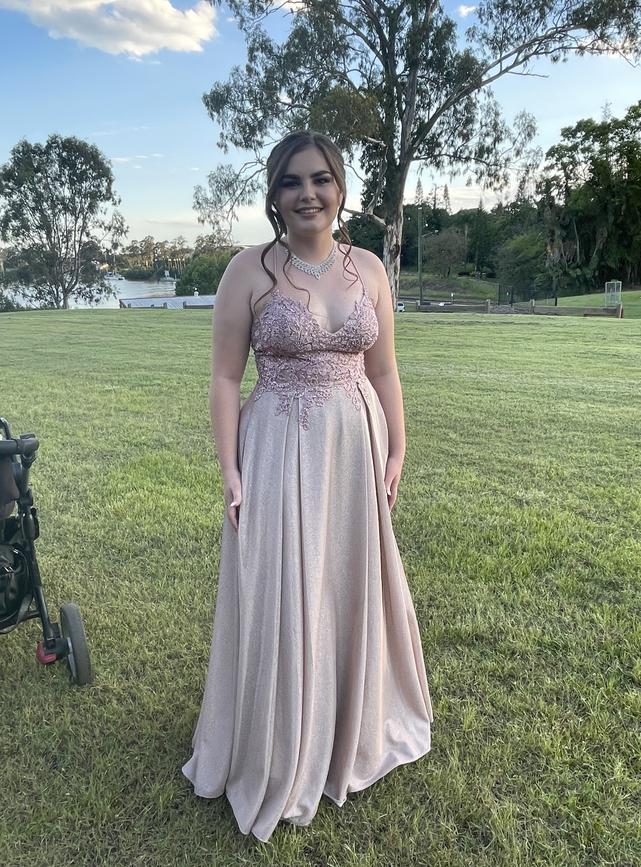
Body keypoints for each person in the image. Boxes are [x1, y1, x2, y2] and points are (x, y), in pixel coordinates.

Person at [182, 130, 433, 842]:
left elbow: (383, 371)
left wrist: (398, 446)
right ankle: (279, 740)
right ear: (274, 194)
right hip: (277, 447)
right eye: (292, 182)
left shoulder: (371, 271)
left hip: (356, 447)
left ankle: (349, 724)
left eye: (320, 179)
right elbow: (227, 378)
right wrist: (230, 467)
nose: (308, 194)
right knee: (283, 586)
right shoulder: (248, 272)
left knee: (346, 583)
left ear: (340, 188)